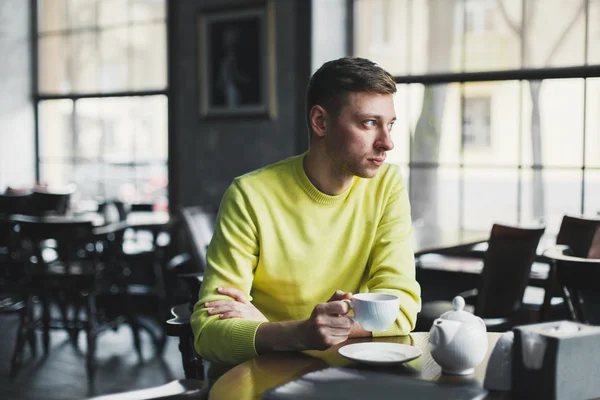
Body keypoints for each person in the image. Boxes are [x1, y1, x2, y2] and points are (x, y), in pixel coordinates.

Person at [191, 57, 422, 365]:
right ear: (320, 122)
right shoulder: (250, 195)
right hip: (262, 375)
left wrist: (279, 330)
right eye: (370, 123)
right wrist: (299, 333)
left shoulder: (386, 184)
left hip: (352, 373)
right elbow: (208, 332)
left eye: (389, 125)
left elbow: (402, 306)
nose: (387, 143)